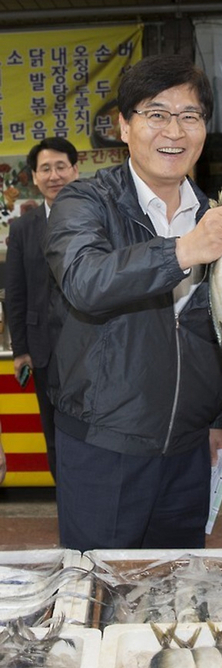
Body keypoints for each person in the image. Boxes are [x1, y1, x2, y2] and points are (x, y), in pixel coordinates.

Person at [41, 54, 222, 552]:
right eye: (156, 113)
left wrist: (216, 422)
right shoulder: (85, 202)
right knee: (99, 599)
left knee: (175, 597)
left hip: (189, 451)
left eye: (190, 116)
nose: (174, 130)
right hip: (104, 446)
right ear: (124, 126)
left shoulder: (214, 214)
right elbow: (85, 280)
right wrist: (183, 250)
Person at [5, 137, 79, 481]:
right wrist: (21, 350)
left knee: (95, 433)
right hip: (43, 349)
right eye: (45, 169)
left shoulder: (97, 218)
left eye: (61, 167)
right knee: (54, 435)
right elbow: (16, 293)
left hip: (92, 346)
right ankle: (68, 510)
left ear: (75, 170)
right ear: (34, 177)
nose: (54, 175)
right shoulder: (22, 228)